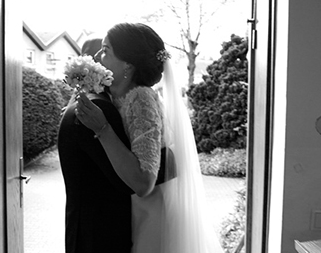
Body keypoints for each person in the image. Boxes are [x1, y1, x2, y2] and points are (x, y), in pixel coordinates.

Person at [75, 23, 223, 253]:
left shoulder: (141, 100)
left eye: (106, 50)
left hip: (151, 215)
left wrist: (102, 128)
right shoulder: (119, 94)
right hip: (131, 211)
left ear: (128, 65)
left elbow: (144, 183)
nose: (97, 56)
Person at [57, 37, 134, 253]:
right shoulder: (98, 109)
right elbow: (125, 180)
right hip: (101, 235)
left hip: (85, 229)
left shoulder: (82, 102)